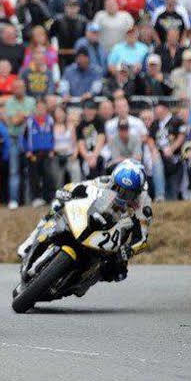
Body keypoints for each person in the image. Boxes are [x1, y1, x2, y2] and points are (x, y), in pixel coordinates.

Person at [20, 159, 152, 283]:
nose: (121, 196)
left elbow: (142, 239)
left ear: (137, 192)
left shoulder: (143, 204)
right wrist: (67, 192)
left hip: (116, 235)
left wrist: (128, 250)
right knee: (57, 206)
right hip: (94, 216)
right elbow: (82, 186)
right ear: (113, 180)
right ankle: (31, 241)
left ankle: (84, 279)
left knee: (117, 273)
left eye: (127, 193)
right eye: (118, 189)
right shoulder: (106, 181)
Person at [5, 80, 36, 209]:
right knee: (14, 171)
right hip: (15, 139)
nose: (19, 89)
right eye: (16, 87)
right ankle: (13, 200)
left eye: (21, 87)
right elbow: (14, 121)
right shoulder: (9, 102)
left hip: (30, 139)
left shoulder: (31, 101)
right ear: (13, 89)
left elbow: (34, 119)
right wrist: (25, 116)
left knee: (30, 170)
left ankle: (30, 199)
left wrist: (22, 116)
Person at [148, 102, 186, 201]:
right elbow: (150, 138)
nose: (156, 111)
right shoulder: (155, 123)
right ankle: (159, 195)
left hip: (175, 156)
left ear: (165, 109)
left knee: (173, 195)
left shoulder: (177, 121)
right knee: (156, 160)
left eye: (158, 109)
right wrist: (153, 149)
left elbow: (182, 136)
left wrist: (172, 148)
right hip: (160, 155)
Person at [23, 98, 55, 206]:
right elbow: (24, 137)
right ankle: (36, 198)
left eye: (43, 108)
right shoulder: (30, 121)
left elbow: (53, 136)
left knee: (48, 175)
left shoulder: (50, 120)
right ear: (35, 109)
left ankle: (49, 198)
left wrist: (52, 149)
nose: (40, 110)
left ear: (46, 109)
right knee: (34, 176)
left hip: (47, 152)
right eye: (38, 108)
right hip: (34, 153)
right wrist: (27, 150)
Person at [50, 107, 81, 189]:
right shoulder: (51, 127)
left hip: (70, 155)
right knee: (57, 180)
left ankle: (77, 193)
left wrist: (75, 154)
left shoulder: (70, 126)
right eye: (57, 113)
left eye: (61, 112)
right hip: (57, 156)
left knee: (76, 174)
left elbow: (75, 143)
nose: (59, 115)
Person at [76, 100, 106, 179]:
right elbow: (81, 143)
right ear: (84, 110)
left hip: (99, 150)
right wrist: (87, 157)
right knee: (87, 166)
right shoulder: (80, 125)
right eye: (88, 110)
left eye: (92, 109)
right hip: (87, 152)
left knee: (101, 160)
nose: (90, 112)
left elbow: (101, 139)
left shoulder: (99, 121)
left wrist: (95, 156)